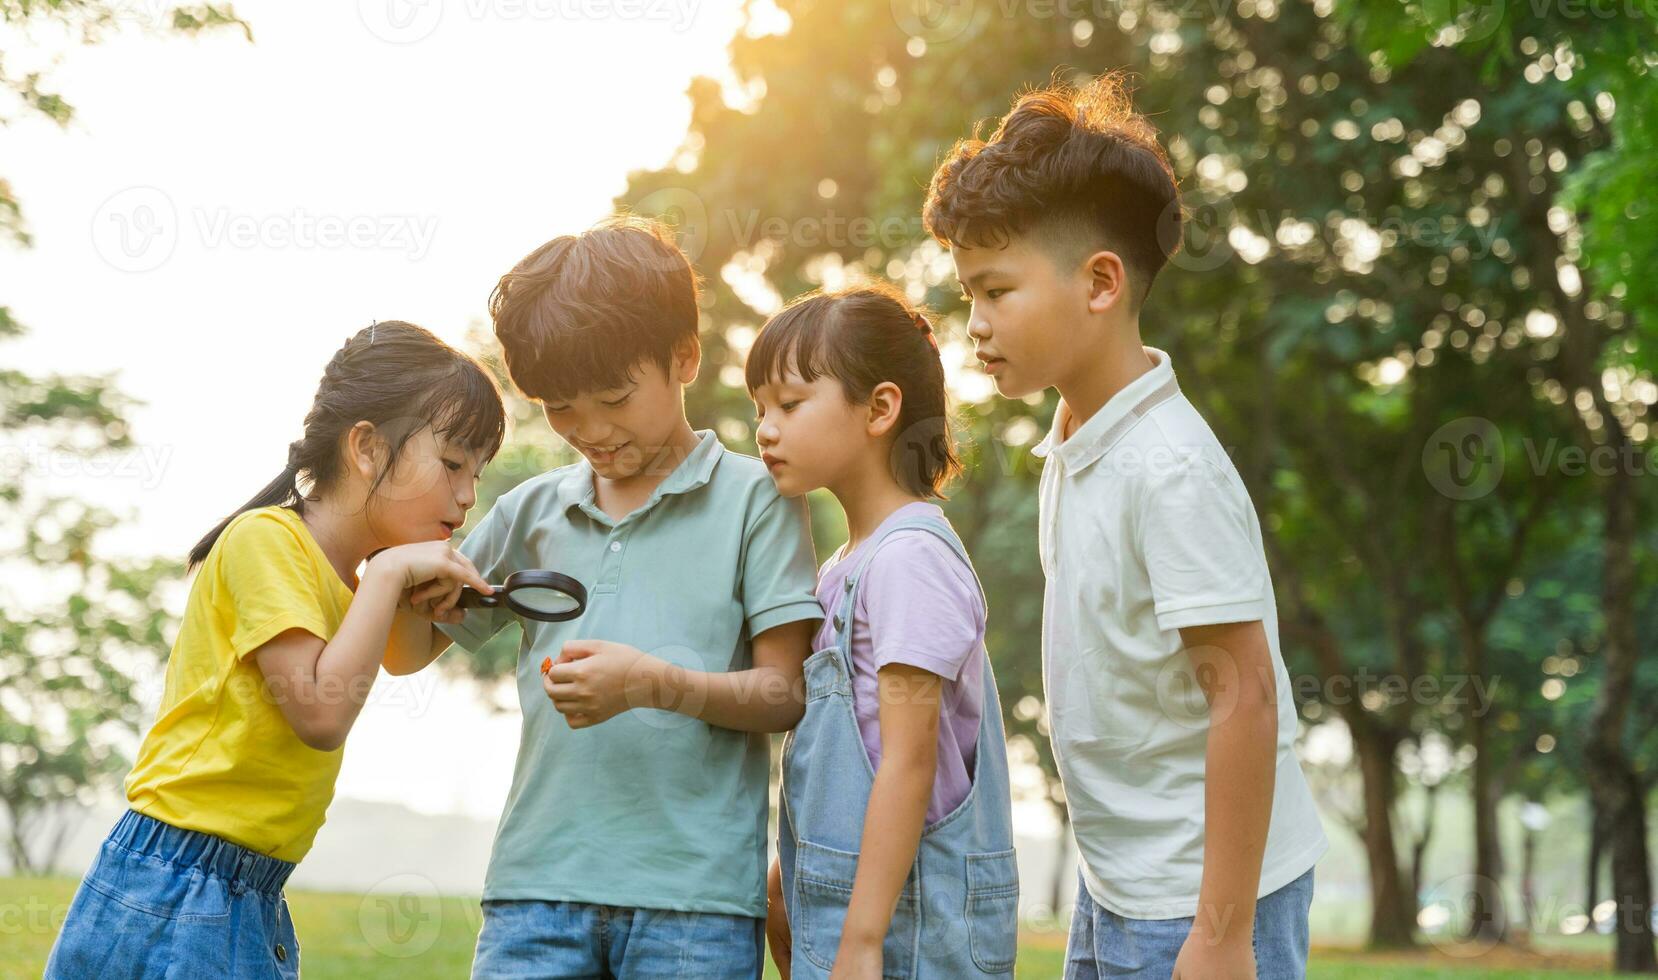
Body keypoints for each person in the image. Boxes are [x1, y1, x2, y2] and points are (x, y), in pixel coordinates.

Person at [924, 73, 1329, 980]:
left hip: (1207, 899)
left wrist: (1220, 935)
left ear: (1101, 282)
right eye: (967, 299)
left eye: (996, 292)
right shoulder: (1074, 438)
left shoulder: (1170, 468)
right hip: (1120, 888)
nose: (976, 327)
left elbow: (1246, 699)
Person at [413, 217, 824, 979]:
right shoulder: (529, 513)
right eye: (561, 408)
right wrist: (411, 579)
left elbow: (784, 693)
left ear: (684, 357)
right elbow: (409, 652)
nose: (590, 430)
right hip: (534, 892)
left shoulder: (756, 500)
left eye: (613, 396)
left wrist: (648, 683)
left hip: (694, 905)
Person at [45, 320, 505, 979]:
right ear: (368, 448)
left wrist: (407, 585)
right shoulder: (266, 540)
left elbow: (403, 655)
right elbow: (320, 713)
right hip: (174, 883)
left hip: (248, 891)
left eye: (477, 474)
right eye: (453, 464)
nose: (467, 496)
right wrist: (386, 577)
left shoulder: (354, 583)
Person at [748, 282, 1018, 979]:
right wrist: (793, 879)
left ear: (880, 408)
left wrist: (863, 938)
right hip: (847, 917)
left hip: (910, 933)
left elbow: (908, 759)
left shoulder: (910, 559)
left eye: (789, 403)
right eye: (759, 410)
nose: (765, 428)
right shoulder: (846, 565)